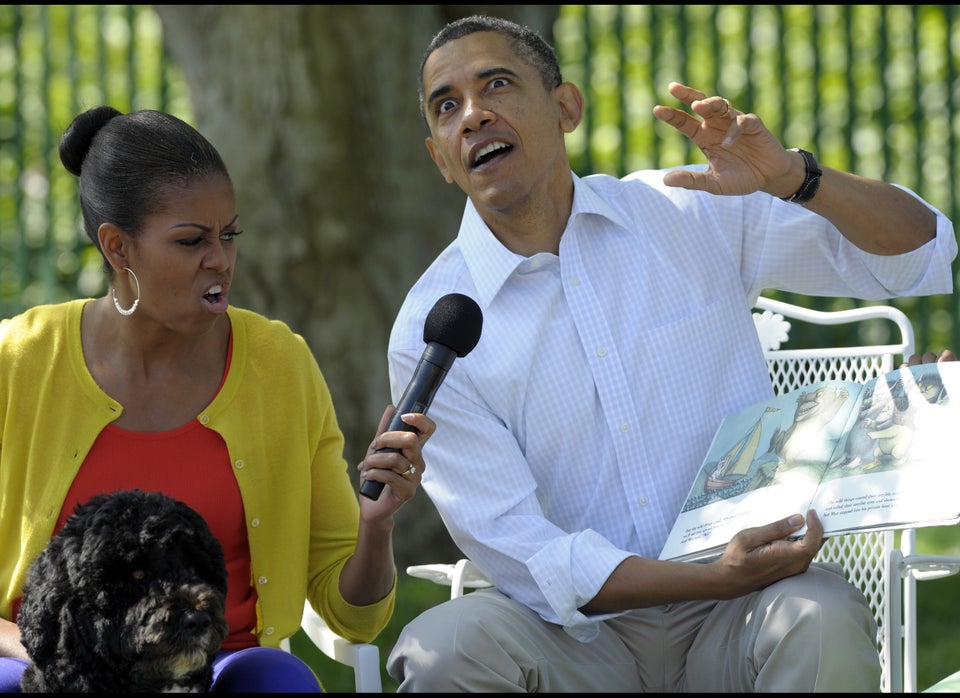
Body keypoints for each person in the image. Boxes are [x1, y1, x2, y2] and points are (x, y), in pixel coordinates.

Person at [385, 14, 958, 693]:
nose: (473, 115)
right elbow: (529, 555)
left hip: (742, 611)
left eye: (497, 85)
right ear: (441, 158)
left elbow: (921, 257)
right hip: (573, 637)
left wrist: (794, 178)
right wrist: (711, 572)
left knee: (820, 616)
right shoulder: (432, 327)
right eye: (447, 106)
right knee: (440, 648)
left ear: (565, 107)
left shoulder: (688, 209)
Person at [0, 106, 433, 692]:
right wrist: (55, 660)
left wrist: (376, 526)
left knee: (277, 681)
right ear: (118, 247)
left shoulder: (279, 364)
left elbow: (351, 614)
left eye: (229, 235)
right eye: (191, 241)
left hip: (221, 664)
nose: (220, 260)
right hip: (39, 659)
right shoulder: (20, 358)